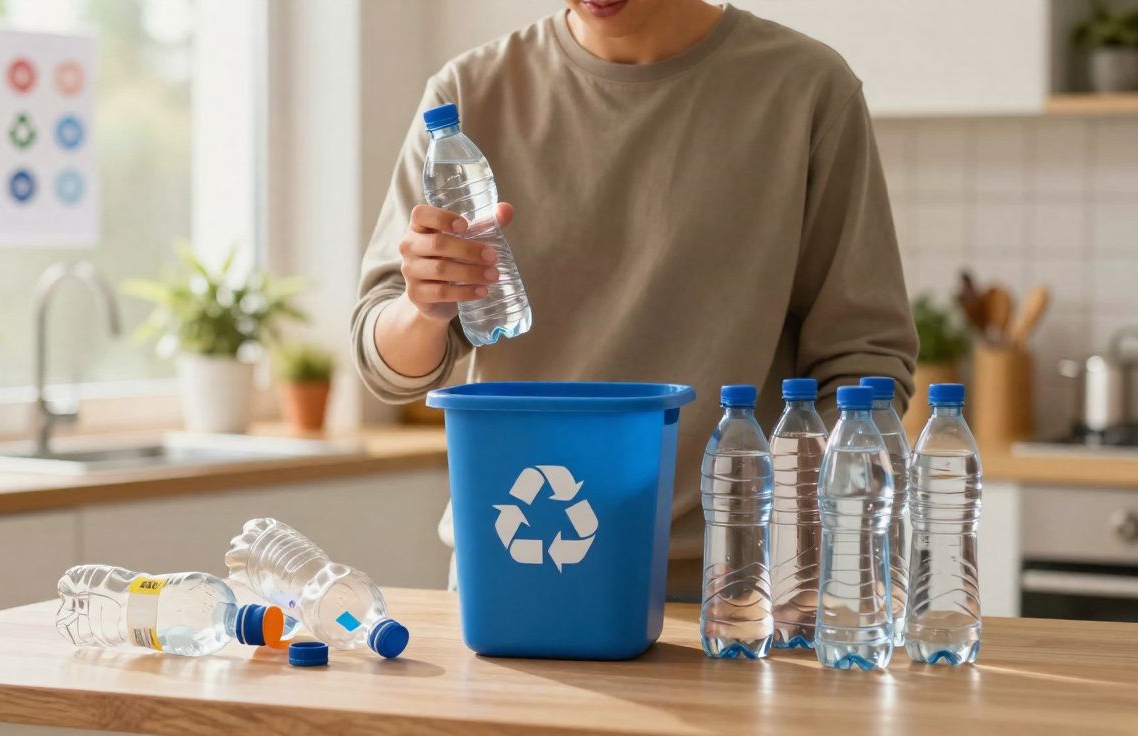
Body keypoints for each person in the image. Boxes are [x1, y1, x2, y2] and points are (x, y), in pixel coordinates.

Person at [351, 0, 918, 599]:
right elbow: (383, 365)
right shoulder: (469, 96)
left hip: (733, 595)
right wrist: (425, 310)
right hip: (517, 575)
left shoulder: (805, 90)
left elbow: (866, 360)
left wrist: (794, 527)